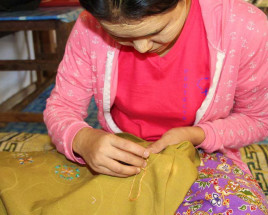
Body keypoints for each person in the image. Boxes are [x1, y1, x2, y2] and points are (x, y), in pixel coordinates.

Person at [44, 0, 268, 213]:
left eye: (157, 32)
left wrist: (197, 134)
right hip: (121, 157)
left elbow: (258, 120)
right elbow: (62, 106)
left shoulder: (243, 27)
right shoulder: (89, 27)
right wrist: (83, 140)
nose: (142, 48)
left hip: (204, 155)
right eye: (119, 36)